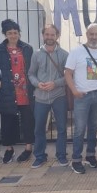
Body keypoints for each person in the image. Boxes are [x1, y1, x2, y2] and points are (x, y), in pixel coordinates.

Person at [65, 23, 97, 174]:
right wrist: (74, 91)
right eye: (92, 34)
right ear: (87, 34)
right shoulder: (76, 52)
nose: (94, 37)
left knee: (94, 127)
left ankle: (90, 155)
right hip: (82, 96)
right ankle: (76, 159)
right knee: (80, 129)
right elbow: (67, 73)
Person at [0, 19, 35, 164]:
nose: (13, 35)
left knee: (28, 120)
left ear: (19, 33)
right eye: (9, 33)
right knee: (8, 120)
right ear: (5, 34)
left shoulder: (27, 48)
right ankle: (9, 149)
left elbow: (33, 67)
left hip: (25, 90)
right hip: (9, 91)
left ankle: (28, 148)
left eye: (15, 32)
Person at [28, 24, 69, 168]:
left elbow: (69, 77)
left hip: (59, 96)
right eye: (47, 34)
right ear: (43, 35)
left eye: (52, 35)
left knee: (62, 128)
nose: (50, 37)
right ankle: (40, 156)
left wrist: (55, 83)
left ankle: (61, 155)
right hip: (40, 96)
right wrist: (37, 84)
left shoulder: (64, 54)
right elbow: (31, 74)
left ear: (57, 36)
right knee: (39, 128)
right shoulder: (36, 54)